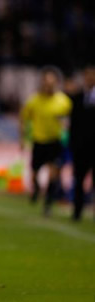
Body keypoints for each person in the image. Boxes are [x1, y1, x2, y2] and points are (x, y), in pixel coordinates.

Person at [19, 67, 72, 216]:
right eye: (46, 82)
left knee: (53, 174)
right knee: (35, 172)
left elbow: (70, 120)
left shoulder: (64, 101)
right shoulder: (34, 101)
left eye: (51, 83)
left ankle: (48, 204)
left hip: (55, 142)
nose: (48, 86)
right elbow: (23, 119)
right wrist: (22, 138)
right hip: (39, 141)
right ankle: (36, 187)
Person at [68, 64, 95, 221]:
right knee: (78, 180)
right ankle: (77, 212)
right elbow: (73, 124)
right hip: (81, 148)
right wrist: (73, 144)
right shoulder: (77, 98)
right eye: (87, 75)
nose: (90, 78)